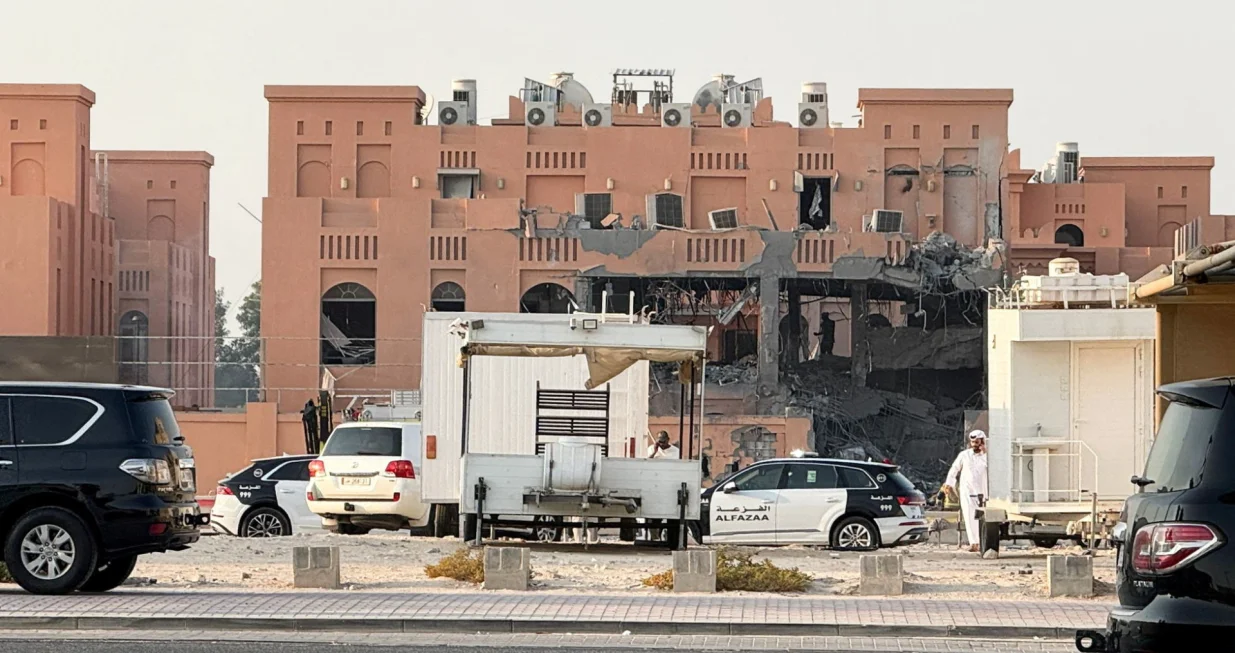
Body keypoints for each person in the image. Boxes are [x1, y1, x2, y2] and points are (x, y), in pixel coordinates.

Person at [942, 430, 989, 553]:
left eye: (977, 442)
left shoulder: (988, 457)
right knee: (969, 517)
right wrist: (949, 484)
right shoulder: (964, 455)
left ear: (983, 442)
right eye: (972, 442)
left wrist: (986, 453)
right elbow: (954, 469)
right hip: (967, 491)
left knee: (985, 518)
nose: (974, 444)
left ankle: (984, 542)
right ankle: (974, 543)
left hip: (983, 492)